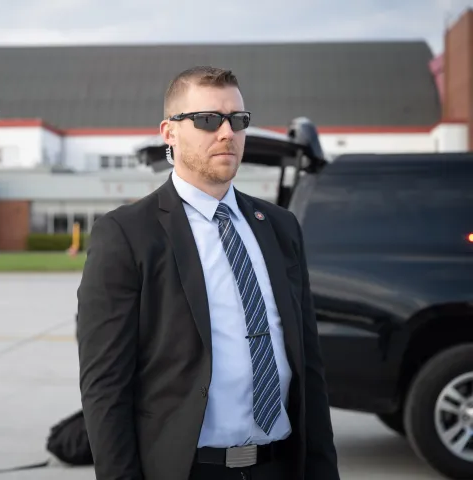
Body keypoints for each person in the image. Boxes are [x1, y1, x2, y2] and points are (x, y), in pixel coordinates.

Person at [76, 66, 340, 480]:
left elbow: (310, 369)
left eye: (238, 120)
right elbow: (104, 388)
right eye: (207, 120)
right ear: (169, 132)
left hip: (280, 466)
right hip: (190, 470)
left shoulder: (280, 226)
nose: (227, 133)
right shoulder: (128, 234)